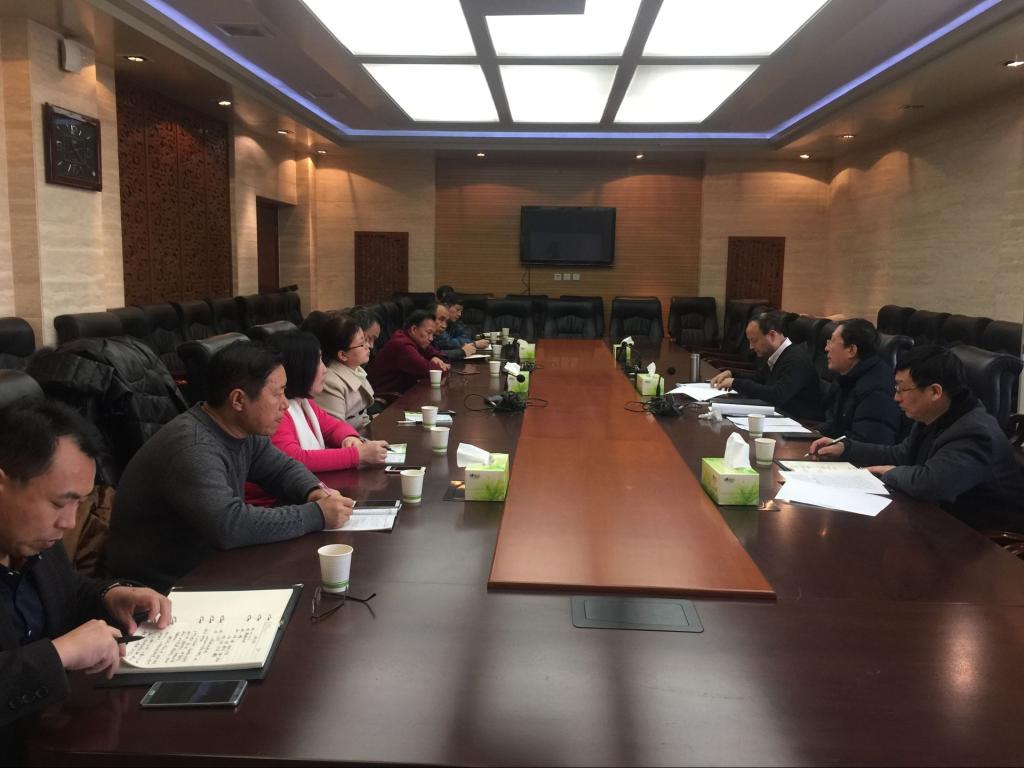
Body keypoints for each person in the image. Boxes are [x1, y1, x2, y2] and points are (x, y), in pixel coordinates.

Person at [107, 342, 355, 592]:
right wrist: (316, 514)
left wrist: (314, 491)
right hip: (163, 589)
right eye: (277, 394)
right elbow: (230, 526)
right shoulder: (193, 448)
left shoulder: (241, 429)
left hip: (213, 565)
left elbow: (281, 469)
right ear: (238, 400)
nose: (285, 404)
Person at [0, 400, 171, 761]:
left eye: (79, 503)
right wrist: (59, 653)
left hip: (58, 735)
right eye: (59, 503)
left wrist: (111, 594)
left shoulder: (31, 540)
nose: (68, 522)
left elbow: (67, 594)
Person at [809, 344, 1024, 533]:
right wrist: (845, 448)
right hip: (938, 521)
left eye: (902, 389)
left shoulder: (974, 432)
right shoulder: (934, 415)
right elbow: (901, 454)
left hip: (984, 543)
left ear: (935, 392)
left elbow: (930, 483)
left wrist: (889, 472)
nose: (896, 397)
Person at [245, 331, 387, 506]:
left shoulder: (304, 402)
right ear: (299, 368)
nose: (325, 369)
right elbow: (295, 459)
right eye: (318, 361)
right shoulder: (275, 411)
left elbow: (332, 426)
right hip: (274, 503)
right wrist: (357, 455)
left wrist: (349, 438)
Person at [710, 311, 824, 420]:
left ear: (772, 335)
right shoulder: (776, 354)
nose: (751, 347)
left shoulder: (796, 359)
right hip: (779, 416)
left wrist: (736, 383)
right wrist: (732, 374)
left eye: (754, 340)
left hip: (800, 424)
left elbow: (777, 396)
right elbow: (759, 379)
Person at [819, 318, 902, 443]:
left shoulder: (876, 390)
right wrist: (812, 434)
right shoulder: (846, 376)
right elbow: (834, 425)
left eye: (832, 341)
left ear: (851, 350)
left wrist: (837, 446)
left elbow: (870, 443)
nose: (826, 348)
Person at [314, 313, 378, 429]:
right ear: (343, 355)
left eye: (365, 340)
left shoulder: (356, 369)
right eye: (361, 344)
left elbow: (362, 415)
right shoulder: (330, 383)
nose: (368, 346)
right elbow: (335, 430)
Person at [367, 310, 449, 394]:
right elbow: (428, 370)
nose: (431, 338)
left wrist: (434, 357)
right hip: (385, 397)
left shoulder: (417, 341)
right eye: (429, 333)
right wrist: (439, 365)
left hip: (402, 393)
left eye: (433, 335)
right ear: (414, 329)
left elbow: (443, 357)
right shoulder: (402, 344)